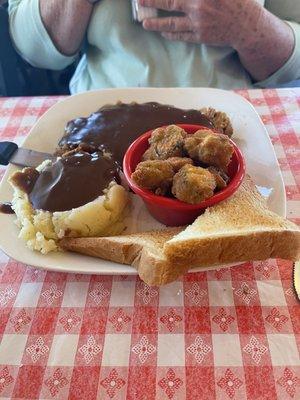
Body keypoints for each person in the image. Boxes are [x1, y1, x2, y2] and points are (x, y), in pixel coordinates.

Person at [8, 0, 300, 93]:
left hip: (231, 123)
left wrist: (249, 25)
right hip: (98, 115)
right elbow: (33, 48)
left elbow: (292, 64)